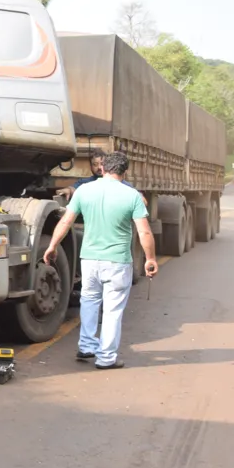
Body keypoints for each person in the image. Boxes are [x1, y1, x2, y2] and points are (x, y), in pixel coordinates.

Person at [44, 150, 157, 370]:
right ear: (124, 171)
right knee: (112, 309)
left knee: (89, 301)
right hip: (117, 262)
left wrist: (52, 245)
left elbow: (66, 221)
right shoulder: (131, 195)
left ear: (102, 168)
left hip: (89, 260)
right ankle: (106, 357)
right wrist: (150, 258)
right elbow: (144, 233)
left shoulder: (84, 191)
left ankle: (86, 345)